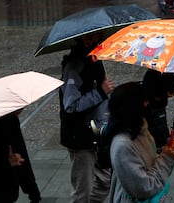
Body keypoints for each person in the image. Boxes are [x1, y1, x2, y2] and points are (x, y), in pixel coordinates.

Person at [59, 34, 115, 203]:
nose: (96, 42)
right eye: (91, 39)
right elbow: (71, 105)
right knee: (82, 190)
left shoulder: (95, 61)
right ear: (83, 40)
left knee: (105, 181)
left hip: (98, 134)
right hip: (81, 137)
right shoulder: (74, 68)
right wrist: (100, 92)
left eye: (98, 38)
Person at [106, 82, 174, 203]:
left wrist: (167, 152)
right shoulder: (123, 146)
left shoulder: (140, 129)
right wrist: (166, 158)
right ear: (132, 108)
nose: (147, 104)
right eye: (143, 101)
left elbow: (150, 164)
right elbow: (144, 187)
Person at [142, 69, 174, 153]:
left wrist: (169, 141)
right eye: (163, 96)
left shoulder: (160, 100)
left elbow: (161, 124)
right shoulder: (136, 104)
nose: (164, 100)